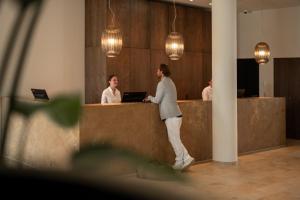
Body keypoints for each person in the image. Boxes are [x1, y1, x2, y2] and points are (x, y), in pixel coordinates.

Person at [146, 64, 194, 170]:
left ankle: (180, 160)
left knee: (174, 139)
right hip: (176, 114)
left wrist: (149, 97)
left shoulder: (162, 83)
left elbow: (157, 100)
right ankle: (185, 158)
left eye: (158, 70)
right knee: (175, 138)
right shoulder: (170, 81)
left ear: (162, 72)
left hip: (171, 116)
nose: (156, 71)